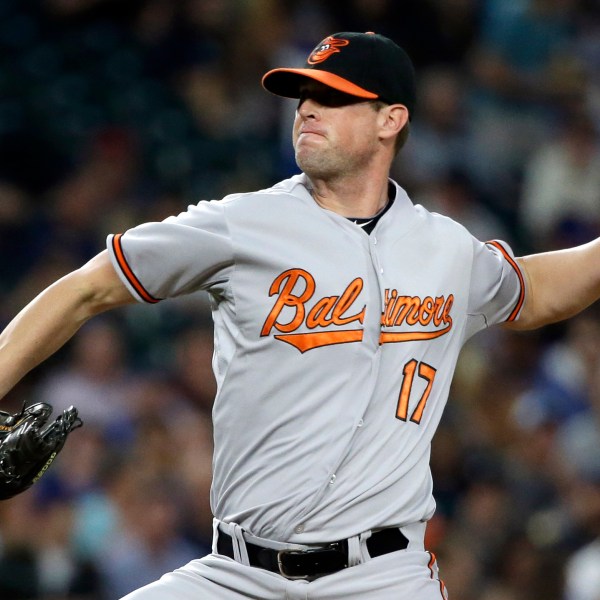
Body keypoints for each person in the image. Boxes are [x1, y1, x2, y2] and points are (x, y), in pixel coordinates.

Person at [1, 31, 600, 599]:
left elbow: (538, 290)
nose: (308, 109)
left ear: (391, 120)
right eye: (304, 95)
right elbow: (85, 289)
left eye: (333, 97)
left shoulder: (445, 248)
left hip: (383, 576)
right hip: (236, 572)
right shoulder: (242, 224)